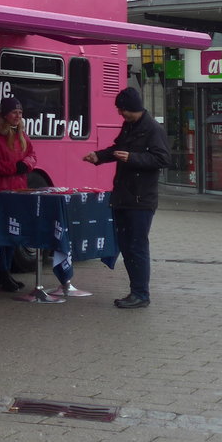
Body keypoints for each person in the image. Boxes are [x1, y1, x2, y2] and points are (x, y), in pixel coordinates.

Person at [83, 86, 169, 309]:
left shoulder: (153, 129)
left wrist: (133, 158)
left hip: (141, 199)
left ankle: (141, 294)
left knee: (136, 245)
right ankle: (135, 291)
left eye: (122, 110)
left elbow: (162, 159)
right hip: (124, 195)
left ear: (133, 108)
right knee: (126, 244)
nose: (120, 114)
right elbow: (118, 149)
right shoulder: (129, 126)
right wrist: (99, 156)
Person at [0, 96, 36, 291]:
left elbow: (32, 155)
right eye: (14, 112)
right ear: (5, 115)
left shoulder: (21, 133)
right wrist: (13, 167)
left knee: (12, 234)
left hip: (17, 191)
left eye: (20, 113)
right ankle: (2, 273)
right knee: (2, 234)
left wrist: (26, 165)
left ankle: (6, 273)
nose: (18, 116)